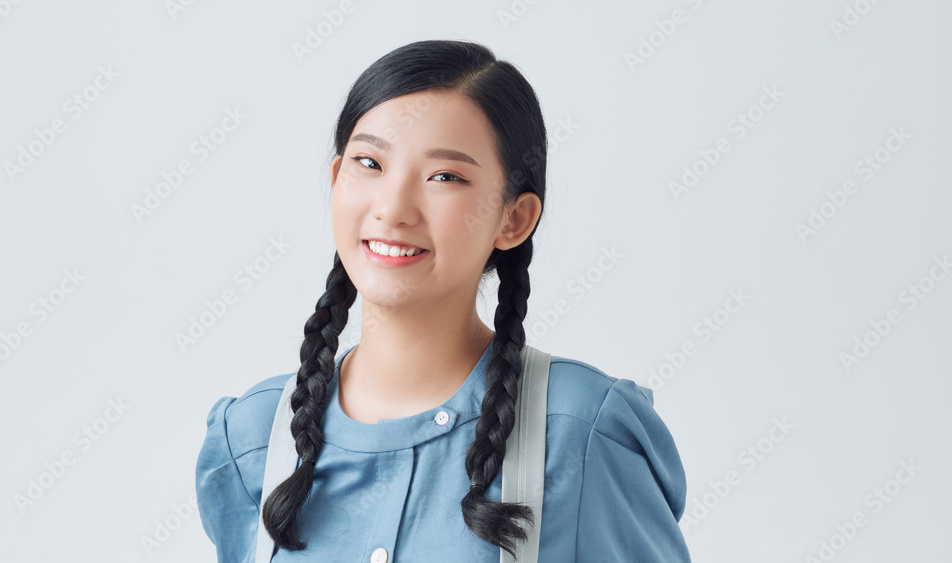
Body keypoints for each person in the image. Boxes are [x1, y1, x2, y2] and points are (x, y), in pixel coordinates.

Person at [195, 38, 691, 562]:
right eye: (369, 162)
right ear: (337, 179)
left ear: (513, 218)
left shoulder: (582, 430)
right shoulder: (252, 438)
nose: (393, 207)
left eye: (445, 177)